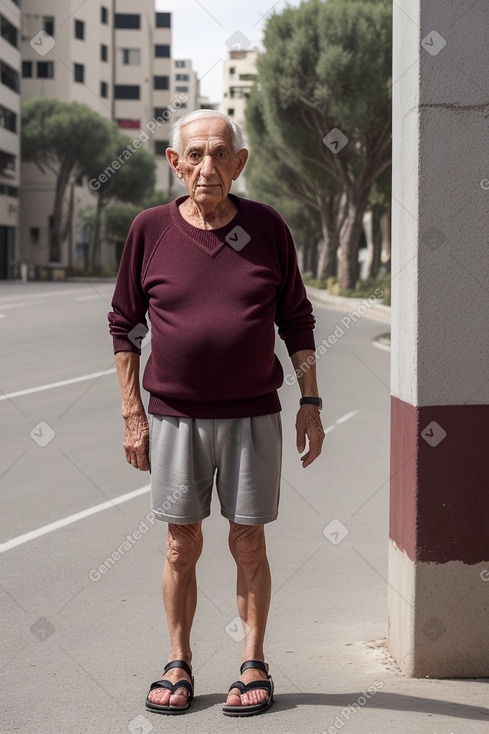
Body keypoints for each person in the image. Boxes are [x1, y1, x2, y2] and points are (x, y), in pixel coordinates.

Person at [108, 109, 324, 717]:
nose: (208, 167)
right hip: (174, 416)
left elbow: (297, 320)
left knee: (247, 540)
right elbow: (124, 324)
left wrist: (310, 402)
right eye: (195, 155)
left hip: (254, 413)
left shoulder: (267, 227)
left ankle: (253, 662)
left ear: (240, 162)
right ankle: (178, 661)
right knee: (181, 543)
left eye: (220, 154)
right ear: (174, 163)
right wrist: (133, 415)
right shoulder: (149, 230)